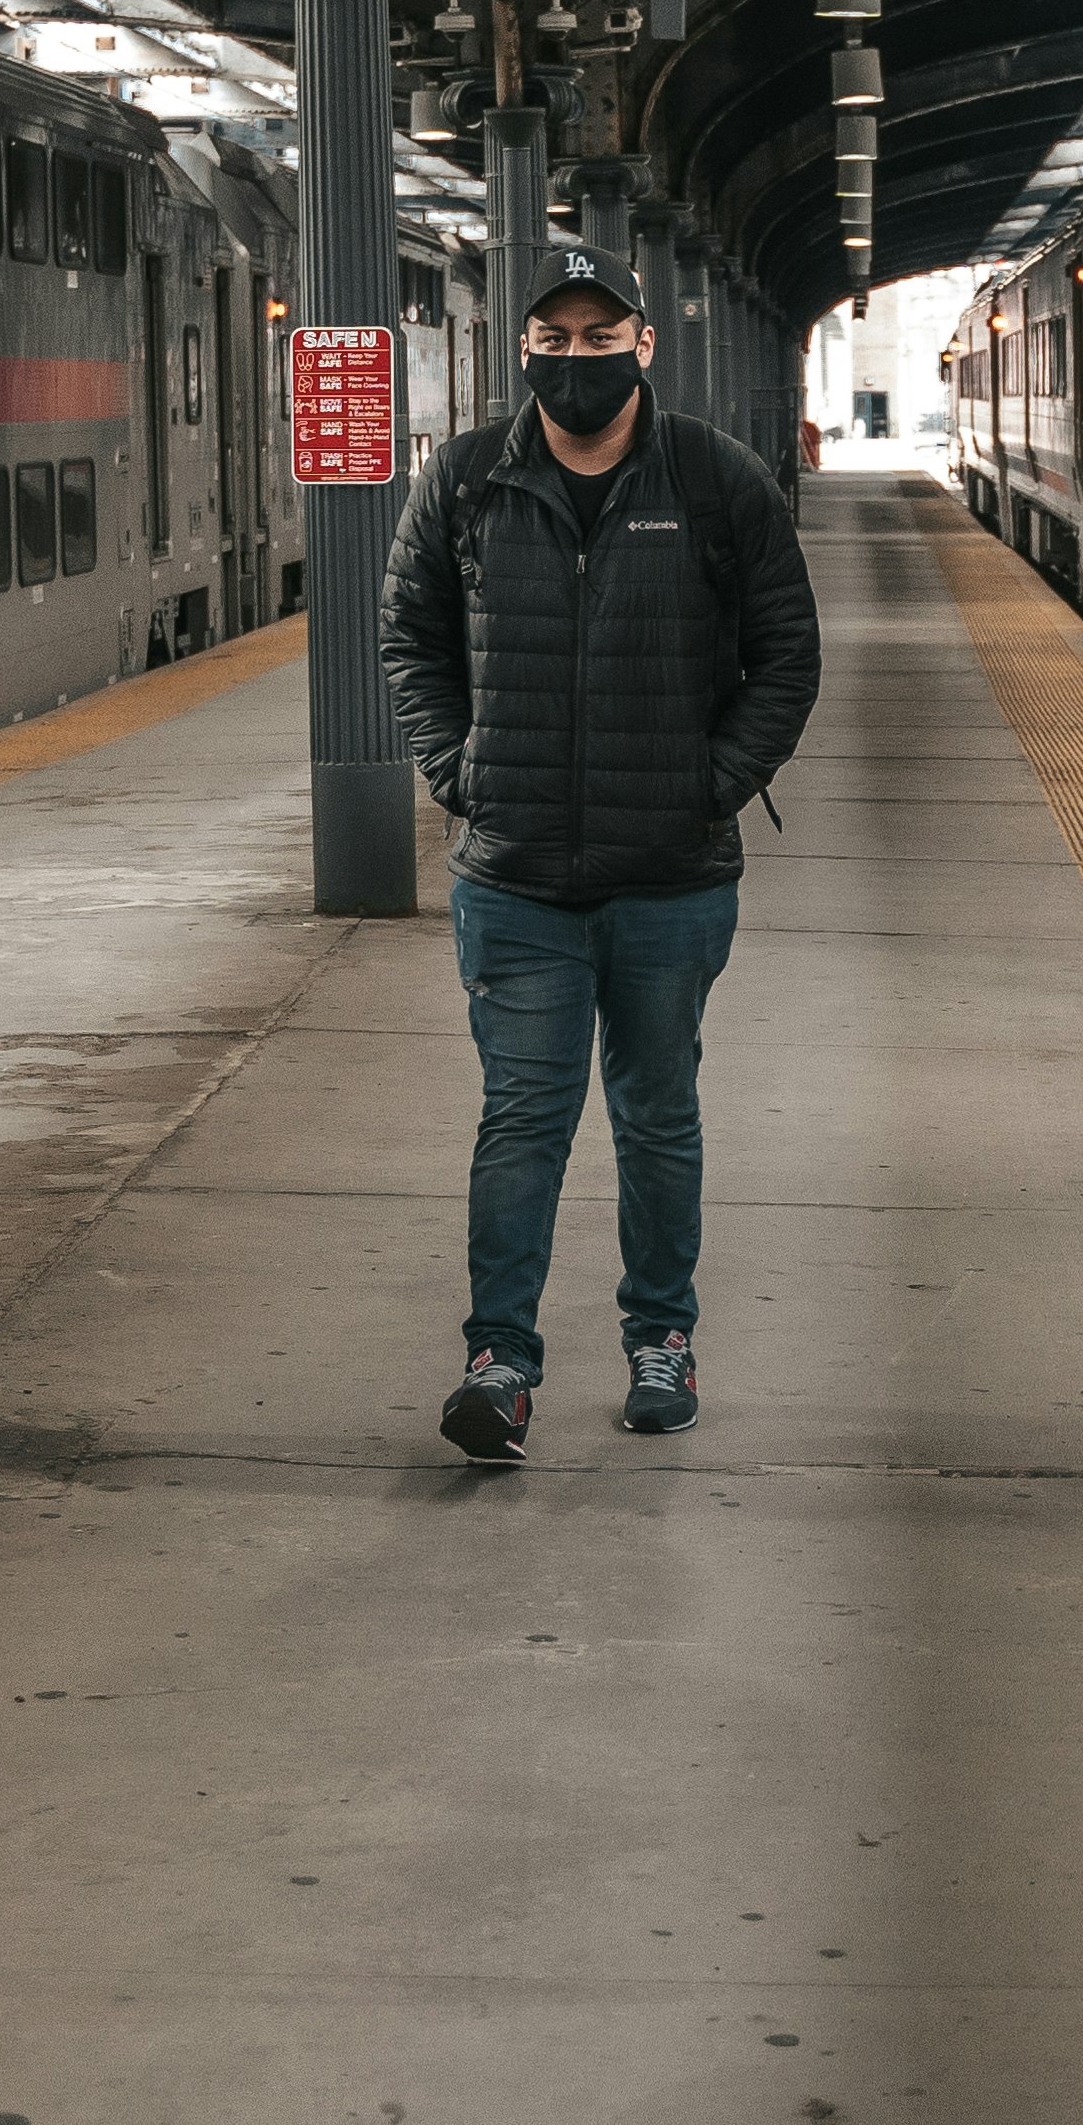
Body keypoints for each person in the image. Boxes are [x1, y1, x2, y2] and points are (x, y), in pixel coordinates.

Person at [379, 241, 822, 1462]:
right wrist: (453, 769)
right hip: (515, 875)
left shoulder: (717, 480)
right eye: (555, 340)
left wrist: (713, 784)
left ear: (645, 344)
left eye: (600, 336)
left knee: (655, 1114)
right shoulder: (468, 479)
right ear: (524, 350)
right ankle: (499, 1363)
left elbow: (789, 651)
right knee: (522, 1117)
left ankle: (660, 1340)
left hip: (671, 880)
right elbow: (408, 632)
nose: (578, 360)